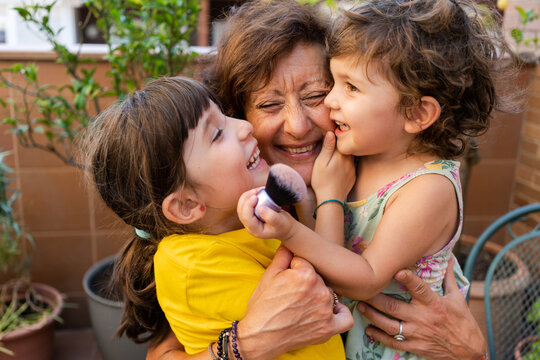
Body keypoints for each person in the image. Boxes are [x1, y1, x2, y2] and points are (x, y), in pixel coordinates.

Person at [146, 0, 488, 359]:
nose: (297, 125)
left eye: (317, 96)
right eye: (268, 105)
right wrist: (246, 343)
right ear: (238, 115)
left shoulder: (381, 160)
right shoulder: (222, 212)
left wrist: (472, 351)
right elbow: (165, 351)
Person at [237, 0, 513, 359]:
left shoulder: (429, 189)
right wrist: (312, 197)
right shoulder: (359, 155)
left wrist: (294, 226)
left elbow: (363, 277)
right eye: (332, 83)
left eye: (350, 87)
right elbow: (331, 248)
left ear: (416, 113)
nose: (331, 101)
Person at [84, 76, 350, 358]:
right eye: (216, 134)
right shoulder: (194, 264)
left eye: (226, 116)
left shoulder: (235, 222)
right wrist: (327, 197)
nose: (245, 127)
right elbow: (318, 297)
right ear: (186, 206)